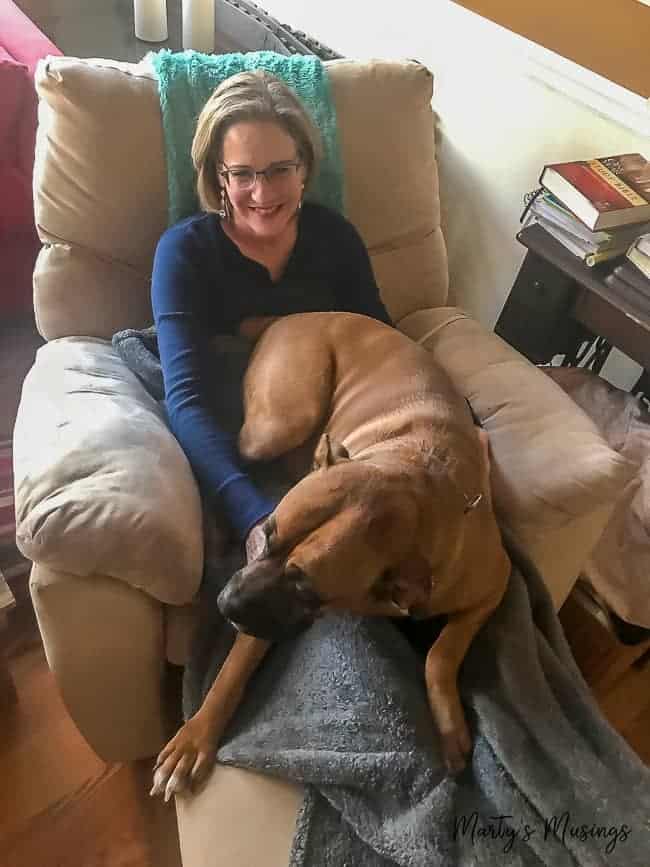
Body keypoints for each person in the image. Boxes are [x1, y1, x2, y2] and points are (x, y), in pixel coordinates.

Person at [151, 70, 392, 562]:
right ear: (217, 175)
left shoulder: (335, 239)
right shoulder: (185, 253)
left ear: (305, 167)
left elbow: (384, 346)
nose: (262, 194)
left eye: (280, 169)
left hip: (344, 443)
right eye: (242, 174)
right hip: (236, 459)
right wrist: (254, 516)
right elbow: (188, 400)